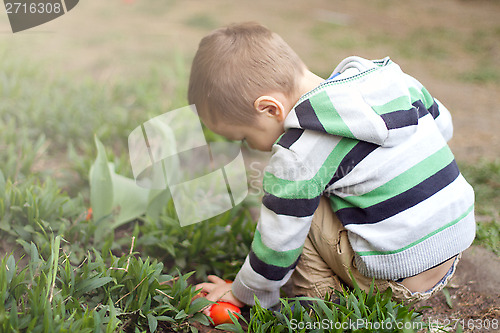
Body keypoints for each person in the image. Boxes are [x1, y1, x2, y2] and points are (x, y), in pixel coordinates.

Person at [189, 22, 476, 310]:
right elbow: (443, 126)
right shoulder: (388, 78)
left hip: (395, 279)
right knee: (325, 179)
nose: (250, 147)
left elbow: (280, 238)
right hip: (452, 247)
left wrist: (245, 293)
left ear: (269, 108)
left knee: (293, 209)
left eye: (244, 137)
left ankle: (324, 301)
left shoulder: (300, 149)